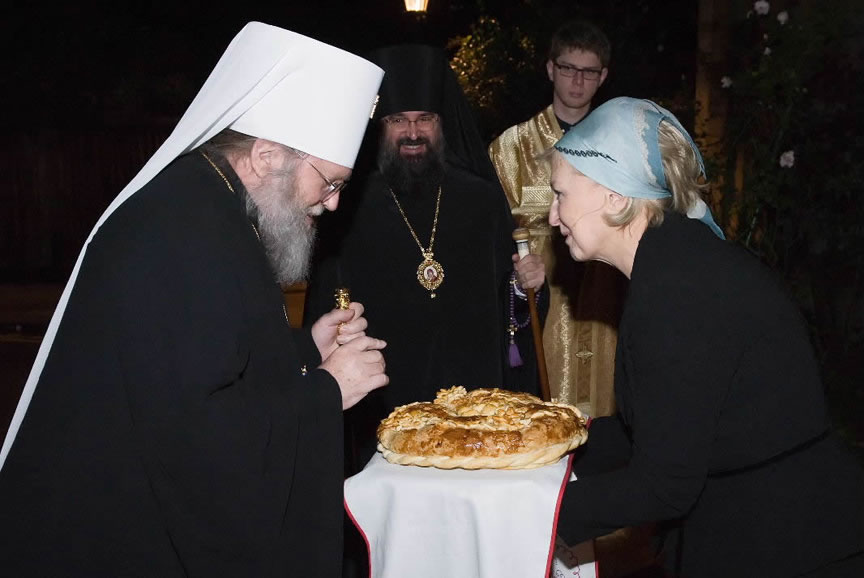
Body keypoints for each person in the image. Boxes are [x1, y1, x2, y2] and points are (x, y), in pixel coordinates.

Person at [0, 22, 389, 577]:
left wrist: (306, 350)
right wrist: (329, 390)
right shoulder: (185, 234)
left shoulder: (209, 207)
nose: (331, 204)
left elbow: (212, 363)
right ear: (266, 156)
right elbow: (197, 437)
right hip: (110, 532)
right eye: (330, 182)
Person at [551, 97, 864, 577]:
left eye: (560, 195)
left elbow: (664, 484)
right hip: (763, 530)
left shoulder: (677, 289)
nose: (553, 217)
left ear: (614, 196)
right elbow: (655, 431)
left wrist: (538, 516)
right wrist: (542, 444)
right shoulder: (676, 261)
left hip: (787, 541)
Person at [305, 43, 546, 476]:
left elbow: (509, 303)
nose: (412, 132)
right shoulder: (347, 206)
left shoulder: (481, 199)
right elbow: (326, 301)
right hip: (383, 397)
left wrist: (522, 285)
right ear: (381, 126)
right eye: (398, 120)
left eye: (424, 120)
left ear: (442, 124)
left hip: (473, 399)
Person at [489, 20, 626, 417]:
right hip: (541, 312)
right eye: (568, 68)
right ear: (551, 69)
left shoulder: (620, 148)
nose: (577, 81)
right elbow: (489, 242)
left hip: (606, 307)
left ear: (603, 76)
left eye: (589, 71)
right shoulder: (509, 148)